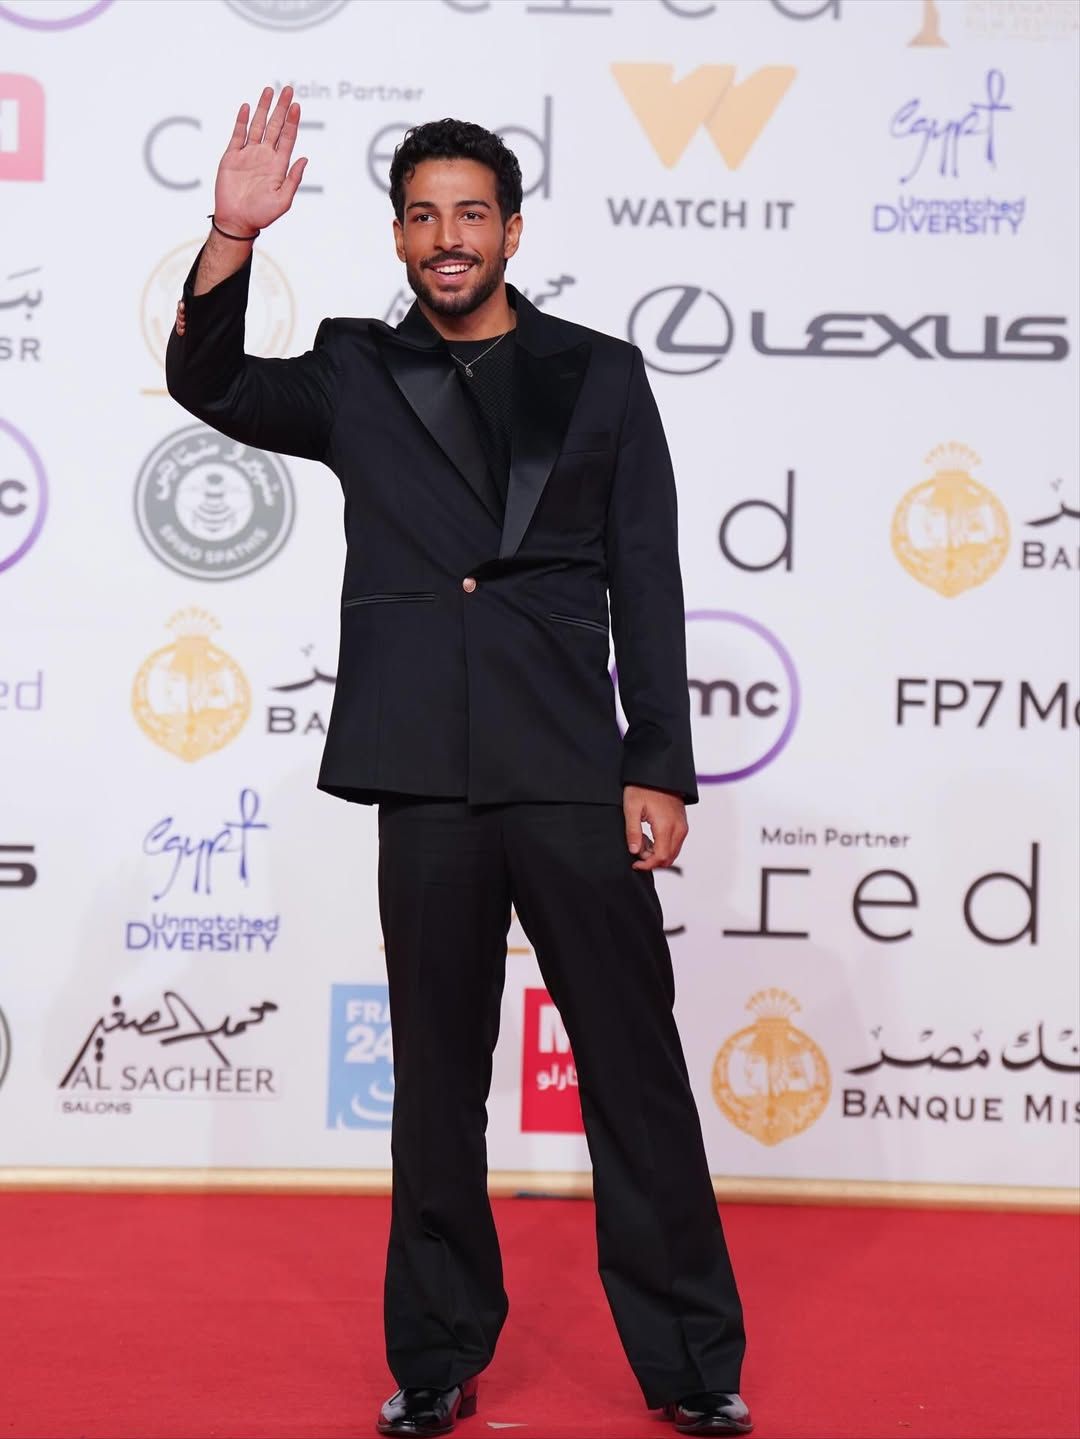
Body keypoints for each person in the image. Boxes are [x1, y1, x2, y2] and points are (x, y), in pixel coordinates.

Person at [166, 85, 750, 1439]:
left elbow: (648, 577)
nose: (448, 238)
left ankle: (690, 1361)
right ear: (397, 237)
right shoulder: (355, 373)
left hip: (570, 763)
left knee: (633, 1069)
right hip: (425, 766)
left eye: (471, 214)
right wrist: (231, 238)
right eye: (424, 217)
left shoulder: (601, 372)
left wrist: (658, 762)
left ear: (512, 231)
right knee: (435, 1080)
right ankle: (434, 1355)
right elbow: (212, 384)